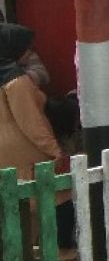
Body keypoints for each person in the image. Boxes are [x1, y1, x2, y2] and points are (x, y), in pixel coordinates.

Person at [0, 24, 63, 180]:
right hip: (25, 157)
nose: (30, 52)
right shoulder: (17, 81)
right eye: (26, 47)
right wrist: (54, 150)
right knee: (50, 201)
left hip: (5, 160)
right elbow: (31, 122)